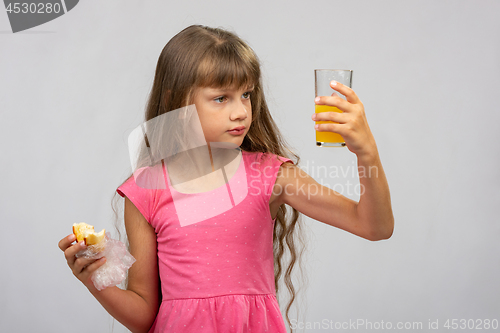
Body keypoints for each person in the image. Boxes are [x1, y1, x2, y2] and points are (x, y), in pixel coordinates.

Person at [58, 25, 394, 333]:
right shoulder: (145, 191)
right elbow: (144, 316)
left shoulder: (270, 174)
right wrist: (93, 279)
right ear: (179, 101)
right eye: (221, 98)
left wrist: (367, 153)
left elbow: (374, 226)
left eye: (246, 95)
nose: (241, 112)